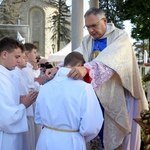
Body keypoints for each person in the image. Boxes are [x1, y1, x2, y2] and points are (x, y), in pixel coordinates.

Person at [46, 8, 149, 150]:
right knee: (92, 137)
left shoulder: (120, 36)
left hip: (114, 96)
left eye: (94, 26)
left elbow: (112, 59)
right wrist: (58, 68)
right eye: (87, 27)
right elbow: (75, 56)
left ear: (105, 21)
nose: (91, 31)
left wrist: (87, 69)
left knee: (113, 137)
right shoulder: (87, 40)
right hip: (92, 98)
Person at [35, 51, 104, 150]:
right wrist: (79, 136)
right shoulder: (84, 88)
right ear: (80, 65)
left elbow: (38, 118)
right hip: (70, 141)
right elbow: (92, 125)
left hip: (46, 138)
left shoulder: (45, 87)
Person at [0, 37, 38, 150]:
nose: (19, 60)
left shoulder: (7, 75)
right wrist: (23, 105)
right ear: (5, 54)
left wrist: (18, 102)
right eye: (16, 57)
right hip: (5, 136)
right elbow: (5, 118)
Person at [11, 49, 38, 150]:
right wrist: (21, 101)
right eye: (22, 57)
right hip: (20, 114)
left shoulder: (21, 72)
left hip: (25, 112)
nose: (25, 59)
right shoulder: (14, 74)